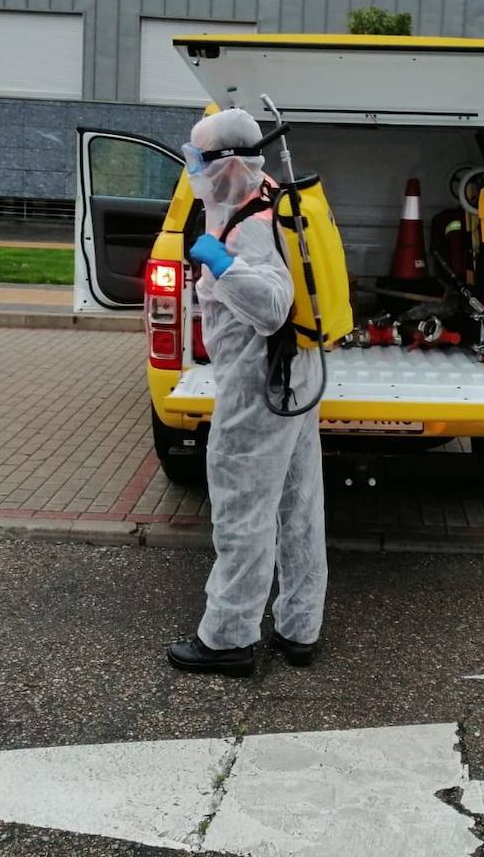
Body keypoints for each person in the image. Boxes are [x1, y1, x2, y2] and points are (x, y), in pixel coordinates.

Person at [165, 108, 327, 677]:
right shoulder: (269, 197)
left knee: (242, 509)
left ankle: (228, 639)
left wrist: (219, 262)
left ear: (227, 163)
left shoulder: (249, 222)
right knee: (299, 507)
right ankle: (300, 628)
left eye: (198, 158)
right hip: (293, 375)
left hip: (260, 385)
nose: (193, 168)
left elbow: (273, 306)